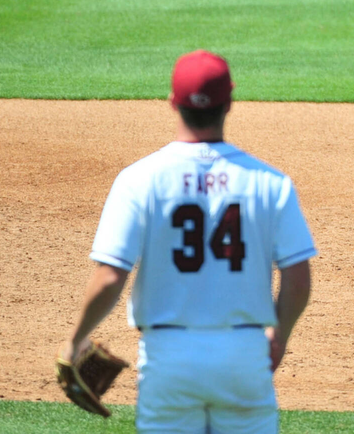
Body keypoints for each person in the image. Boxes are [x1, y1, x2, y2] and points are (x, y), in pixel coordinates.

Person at [58, 50, 316, 433]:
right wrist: (278, 336)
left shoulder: (139, 180)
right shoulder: (269, 182)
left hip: (168, 359)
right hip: (244, 357)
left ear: (172, 102)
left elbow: (111, 277)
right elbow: (297, 278)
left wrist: (75, 341)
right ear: (229, 104)